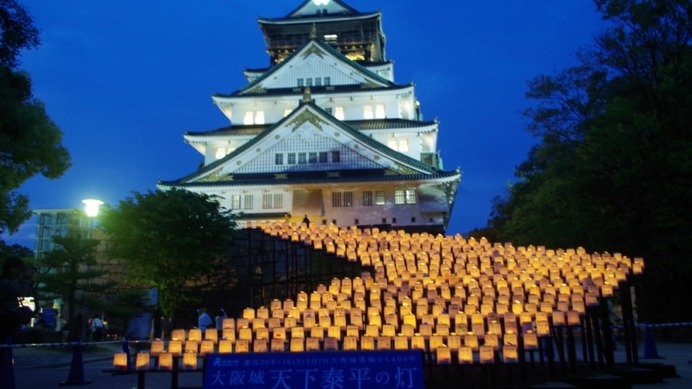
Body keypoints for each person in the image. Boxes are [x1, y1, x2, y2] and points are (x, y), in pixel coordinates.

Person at [0, 256, 35, 343]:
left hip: (7, 321)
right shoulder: (5, 283)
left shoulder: (8, 282)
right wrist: (26, 278)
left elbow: (24, 297)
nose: (20, 273)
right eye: (19, 269)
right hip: (4, 321)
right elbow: (22, 293)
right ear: (12, 269)